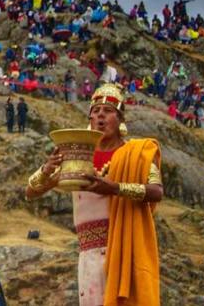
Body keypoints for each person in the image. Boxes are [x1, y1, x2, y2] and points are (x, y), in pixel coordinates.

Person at [26, 84, 163, 305]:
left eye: (108, 111)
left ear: (120, 119)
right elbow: (31, 192)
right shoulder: (76, 157)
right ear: (89, 119)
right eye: (96, 111)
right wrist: (46, 169)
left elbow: (156, 191)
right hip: (88, 255)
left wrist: (114, 188)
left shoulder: (135, 154)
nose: (100, 116)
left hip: (124, 250)